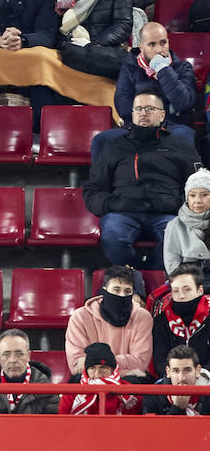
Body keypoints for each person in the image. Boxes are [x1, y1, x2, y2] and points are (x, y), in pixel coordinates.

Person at [83, 90, 193, 267]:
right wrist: (114, 204)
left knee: (176, 238)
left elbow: (196, 185)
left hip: (167, 213)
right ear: (132, 114)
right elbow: (93, 189)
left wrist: (177, 204)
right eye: (139, 108)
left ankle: (154, 275)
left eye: (149, 108)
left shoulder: (180, 145)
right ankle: (132, 274)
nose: (143, 113)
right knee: (113, 236)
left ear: (162, 114)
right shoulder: (114, 146)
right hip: (123, 211)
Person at [110, 23, 197, 152]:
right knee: (101, 139)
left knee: (184, 136)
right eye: (152, 44)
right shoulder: (129, 68)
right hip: (138, 127)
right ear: (141, 47)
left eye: (163, 43)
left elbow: (184, 103)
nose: (159, 50)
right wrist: (149, 119)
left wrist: (163, 70)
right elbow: (123, 106)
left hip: (172, 126)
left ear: (168, 42)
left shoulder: (183, 68)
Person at [65, 264, 154, 380]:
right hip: (91, 378)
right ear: (105, 290)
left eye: (127, 291)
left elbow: (140, 362)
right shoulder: (80, 317)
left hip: (126, 381)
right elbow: (76, 364)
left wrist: (95, 361)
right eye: (116, 290)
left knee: (139, 380)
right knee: (77, 379)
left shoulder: (143, 317)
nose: (122, 295)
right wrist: (120, 366)